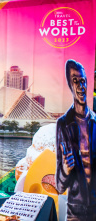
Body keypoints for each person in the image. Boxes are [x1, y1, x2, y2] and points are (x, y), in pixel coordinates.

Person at [56, 59, 96, 220]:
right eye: (75, 81)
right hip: (75, 209)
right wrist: (65, 169)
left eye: (83, 81)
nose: (81, 86)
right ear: (69, 85)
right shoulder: (63, 124)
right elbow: (59, 187)